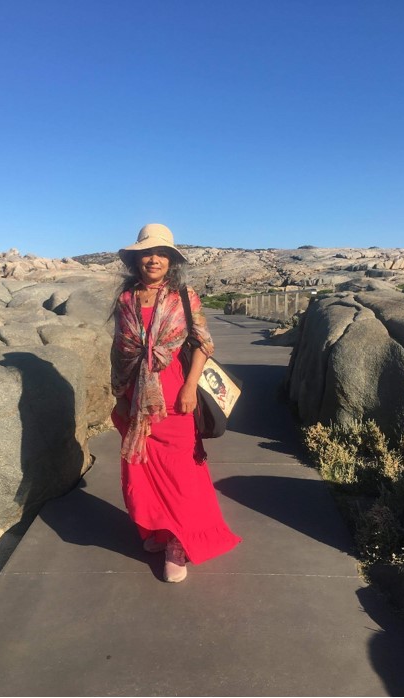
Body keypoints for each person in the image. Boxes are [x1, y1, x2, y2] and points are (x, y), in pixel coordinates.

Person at [110, 223, 241, 583]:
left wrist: (189, 387)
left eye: (161, 254)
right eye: (147, 253)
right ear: (136, 259)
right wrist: (119, 395)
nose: (153, 259)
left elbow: (203, 344)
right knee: (144, 469)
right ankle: (161, 529)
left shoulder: (184, 296)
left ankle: (179, 544)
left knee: (181, 472)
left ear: (170, 260)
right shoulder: (126, 299)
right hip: (136, 396)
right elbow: (120, 350)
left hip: (174, 393)